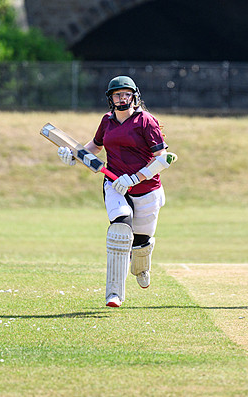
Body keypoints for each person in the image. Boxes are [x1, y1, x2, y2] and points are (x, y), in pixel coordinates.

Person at [56, 76, 175, 308]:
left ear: (134, 96)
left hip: (146, 188)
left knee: (140, 245)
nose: (122, 98)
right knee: (120, 229)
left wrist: (135, 177)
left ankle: (140, 265)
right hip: (114, 185)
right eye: (117, 94)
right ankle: (114, 294)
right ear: (111, 98)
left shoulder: (146, 121)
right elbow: (95, 146)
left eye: (126, 94)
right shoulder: (107, 121)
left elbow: (162, 158)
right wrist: (74, 154)